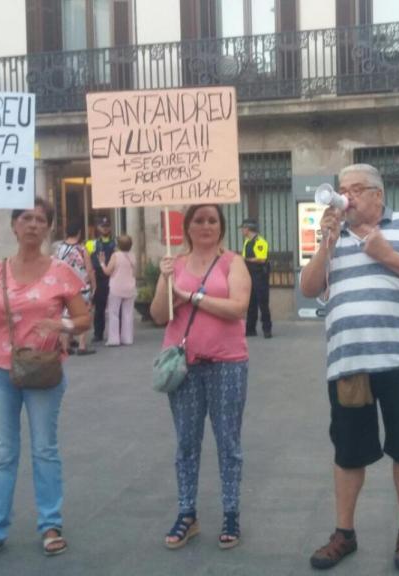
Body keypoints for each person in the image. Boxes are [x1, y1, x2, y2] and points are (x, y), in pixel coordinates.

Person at [300, 164, 399, 571]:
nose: (345, 197)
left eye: (355, 190)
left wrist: (386, 254)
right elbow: (309, 288)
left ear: (378, 195)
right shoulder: (333, 234)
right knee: (348, 452)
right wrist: (326, 243)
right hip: (349, 363)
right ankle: (343, 533)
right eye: (342, 190)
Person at [0, 198, 91, 564]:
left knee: (45, 448)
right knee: (2, 452)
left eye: (40, 219)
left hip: (44, 370)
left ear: (48, 228)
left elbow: (83, 319)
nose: (32, 224)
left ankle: (50, 525)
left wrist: (60, 324)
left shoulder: (61, 271)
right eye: (26, 218)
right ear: (14, 225)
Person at [150, 204, 251, 551]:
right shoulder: (173, 265)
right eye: (199, 220)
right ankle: (187, 513)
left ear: (220, 227)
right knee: (186, 444)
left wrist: (190, 297)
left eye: (212, 220)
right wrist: (166, 283)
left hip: (228, 364)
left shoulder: (232, 262)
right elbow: (159, 314)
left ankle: (231, 513)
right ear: (187, 227)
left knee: (228, 444)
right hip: (185, 366)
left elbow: (238, 307)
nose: (205, 226)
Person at [52, 221, 96, 355]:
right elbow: (89, 269)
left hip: (64, 286)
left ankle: (66, 346)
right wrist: (94, 284)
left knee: (65, 315)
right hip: (81, 286)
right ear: (79, 233)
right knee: (83, 314)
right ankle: (82, 345)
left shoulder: (59, 248)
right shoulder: (82, 249)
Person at [100, 234, 136, 346]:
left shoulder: (115, 255)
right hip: (130, 287)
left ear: (118, 245)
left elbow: (107, 271)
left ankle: (114, 339)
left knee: (114, 313)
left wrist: (102, 262)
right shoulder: (133, 255)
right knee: (128, 313)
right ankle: (127, 338)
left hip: (116, 287)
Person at [239, 219, 271, 338]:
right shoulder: (247, 242)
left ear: (248, 229)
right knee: (251, 303)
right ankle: (250, 329)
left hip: (260, 275)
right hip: (249, 275)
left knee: (263, 303)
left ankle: (267, 329)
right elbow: (244, 257)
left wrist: (246, 260)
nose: (242, 231)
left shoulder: (260, 242)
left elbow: (261, 259)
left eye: (243, 228)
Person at [86, 216, 116, 343]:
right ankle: (98, 333)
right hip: (98, 276)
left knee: (115, 306)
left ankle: (115, 333)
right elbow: (86, 261)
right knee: (99, 307)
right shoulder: (90, 243)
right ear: (98, 227)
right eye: (103, 226)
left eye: (107, 226)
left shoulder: (116, 242)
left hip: (113, 275)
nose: (105, 228)